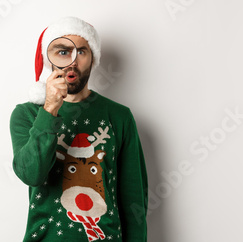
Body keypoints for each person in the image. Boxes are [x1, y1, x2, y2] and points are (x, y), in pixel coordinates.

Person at [9, 16, 148, 242]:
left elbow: (134, 199)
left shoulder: (120, 116)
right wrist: (50, 109)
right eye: (62, 52)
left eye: (81, 52)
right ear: (48, 59)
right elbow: (31, 174)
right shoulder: (27, 114)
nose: (72, 61)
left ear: (93, 58)